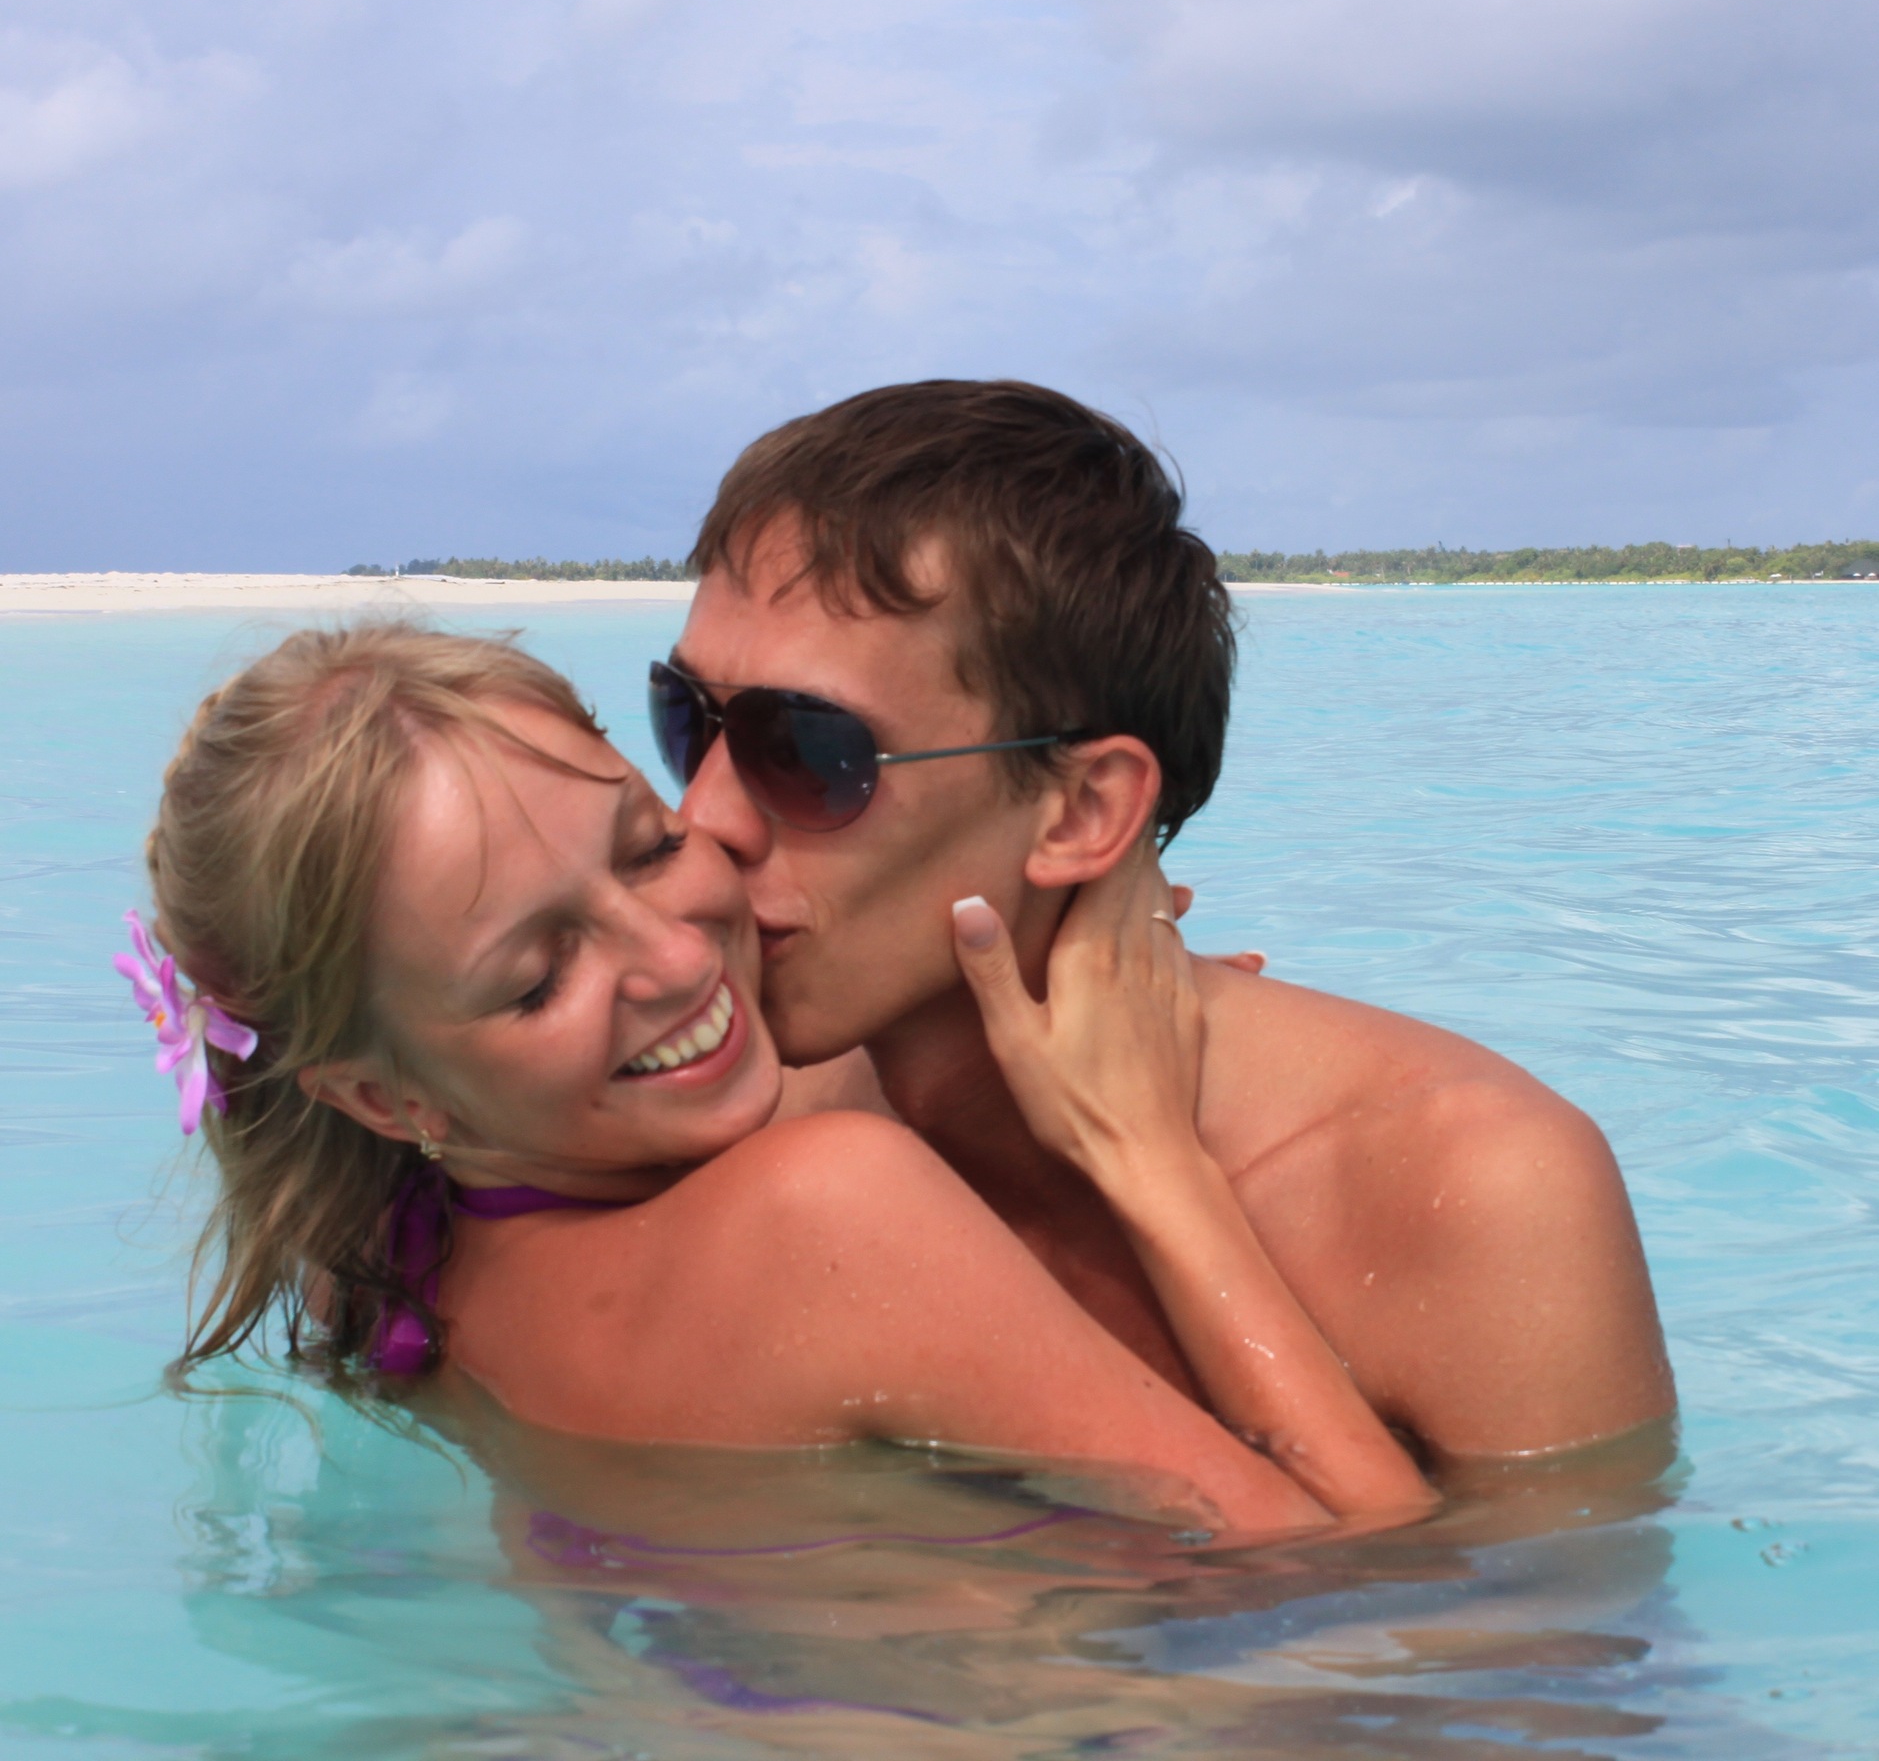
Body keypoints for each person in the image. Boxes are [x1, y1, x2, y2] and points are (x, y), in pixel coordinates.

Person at [132, 621, 1430, 1535]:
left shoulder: (369, 1259)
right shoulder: (821, 1214)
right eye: (537, 977)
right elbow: (1350, 1586)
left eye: (649, 848)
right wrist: (1154, 1156)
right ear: (382, 1098)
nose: (673, 952)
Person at [665, 379, 1678, 1467]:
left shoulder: (1475, 1185)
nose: (701, 817)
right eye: (689, 721)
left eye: (804, 750)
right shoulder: (729, 1105)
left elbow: (1556, 1584)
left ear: (1082, 812)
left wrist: (1153, 1175)